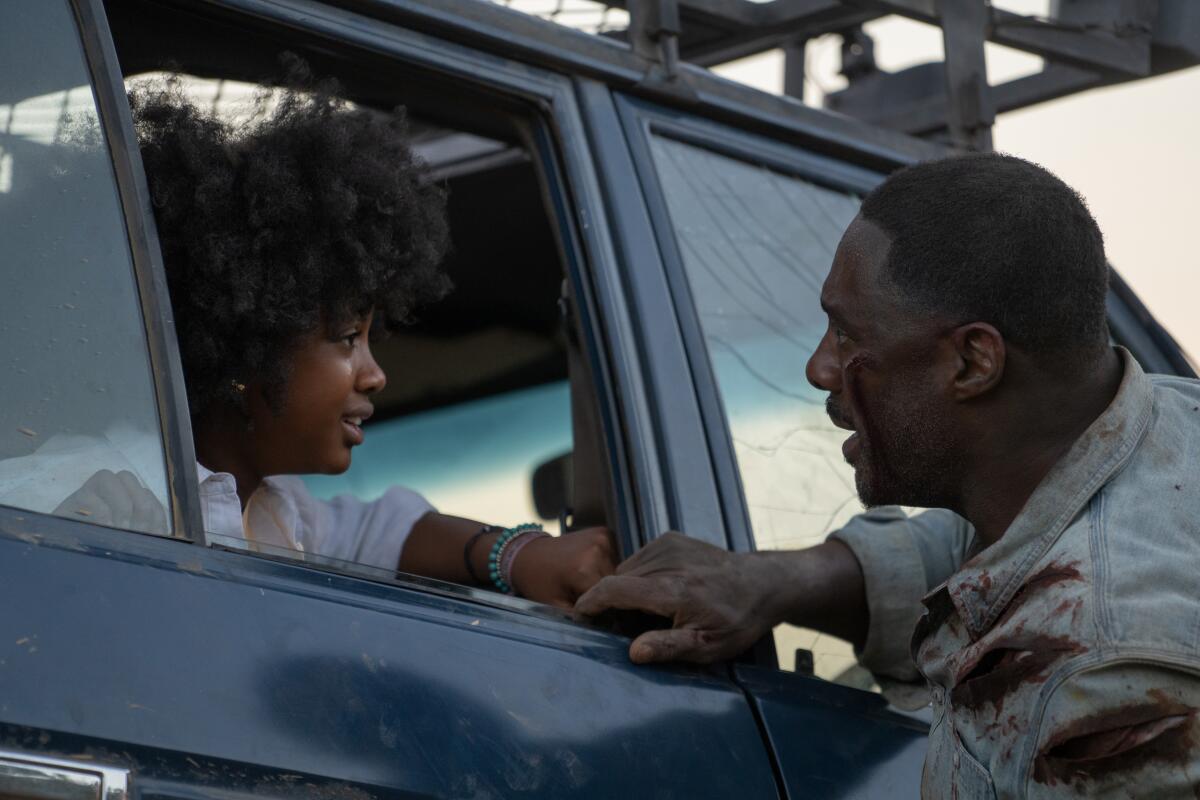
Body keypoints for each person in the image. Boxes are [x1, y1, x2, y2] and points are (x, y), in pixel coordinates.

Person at [577, 153, 1200, 796]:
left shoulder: (1100, 681)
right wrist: (777, 580)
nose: (819, 368)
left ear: (972, 361)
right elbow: (999, 551)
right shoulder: (1159, 433)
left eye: (847, 336)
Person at [49, 71, 615, 608]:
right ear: (248, 346)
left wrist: (518, 554)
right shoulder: (75, 487)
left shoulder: (280, 508)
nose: (376, 375)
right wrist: (76, 548)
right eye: (348, 339)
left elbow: (382, 530)